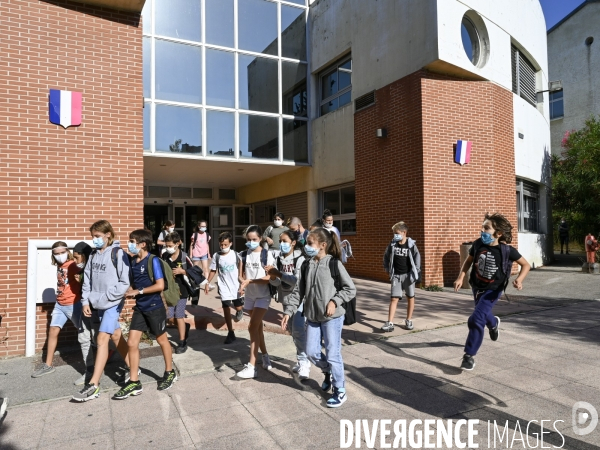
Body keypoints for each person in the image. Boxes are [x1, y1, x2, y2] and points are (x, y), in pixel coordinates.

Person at [285, 228, 356, 408]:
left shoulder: (334, 263)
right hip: (313, 316)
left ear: (322, 245)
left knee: (333, 354)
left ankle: (340, 390)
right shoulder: (307, 264)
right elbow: (298, 291)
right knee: (311, 352)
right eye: (306, 243)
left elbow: (350, 289)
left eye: (310, 244)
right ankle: (327, 372)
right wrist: (289, 311)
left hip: (332, 317)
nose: (306, 247)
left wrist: (334, 301)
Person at [453, 213, 531, 371]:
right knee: (482, 314)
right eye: (482, 227)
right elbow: (468, 261)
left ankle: (469, 356)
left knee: (476, 319)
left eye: (486, 228)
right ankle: (493, 323)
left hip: (493, 290)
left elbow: (526, 265)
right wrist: (460, 277)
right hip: (477, 286)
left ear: (498, 233)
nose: (483, 231)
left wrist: (520, 280)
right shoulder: (477, 244)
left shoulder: (507, 250)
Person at [113, 229, 177, 400]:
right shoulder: (133, 261)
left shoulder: (153, 260)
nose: (130, 244)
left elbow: (160, 285)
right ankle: (134, 381)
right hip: (140, 309)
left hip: (155, 307)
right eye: (130, 241)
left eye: (133, 241)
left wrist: (138, 291)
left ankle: (169, 372)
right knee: (132, 342)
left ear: (142, 244)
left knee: (162, 340)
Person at [73, 220, 130, 402]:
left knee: (101, 338)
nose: (94, 240)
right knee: (115, 335)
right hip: (96, 303)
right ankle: (132, 367)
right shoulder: (94, 255)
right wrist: (86, 301)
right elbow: (87, 279)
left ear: (108, 234)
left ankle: (94, 384)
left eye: (97, 236)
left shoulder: (118, 253)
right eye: (93, 237)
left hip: (112, 303)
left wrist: (105, 298)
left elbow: (124, 282)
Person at [32, 242, 94, 384]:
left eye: (62, 252)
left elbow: (85, 279)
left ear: (68, 251)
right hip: (60, 304)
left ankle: (93, 366)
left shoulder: (73, 265)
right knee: (53, 331)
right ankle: (48, 365)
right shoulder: (60, 266)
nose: (60, 256)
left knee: (86, 335)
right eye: (57, 253)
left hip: (74, 304)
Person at [266, 231, 309, 378]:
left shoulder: (300, 259)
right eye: (280, 241)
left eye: (284, 240)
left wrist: (278, 274)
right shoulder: (278, 259)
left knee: (297, 328)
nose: (282, 243)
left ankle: (304, 361)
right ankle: (302, 357)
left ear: (293, 242)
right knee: (292, 330)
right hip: (285, 299)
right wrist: (273, 276)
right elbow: (277, 283)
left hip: (298, 299)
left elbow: (297, 281)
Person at [236, 225, 276, 378]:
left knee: (252, 327)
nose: (251, 242)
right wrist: (242, 282)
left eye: (254, 239)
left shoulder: (267, 255)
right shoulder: (244, 255)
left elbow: (269, 278)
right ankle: (265, 356)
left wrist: (250, 281)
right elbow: (241, 275)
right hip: (250, 296)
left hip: (263, 296)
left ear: (260, 239)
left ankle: (252, 366)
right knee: (257, 328)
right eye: (249, 239)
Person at [204, 232, 244, 344]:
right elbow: (213, 270)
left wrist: (243, 283)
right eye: (221, 245)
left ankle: (239, 310)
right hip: (224, 286)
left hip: (236, 286)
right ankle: (231, 332)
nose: (223, 247)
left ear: (230, 243)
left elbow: (241, 272)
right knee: (226, 307)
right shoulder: (217, 256)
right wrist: (207, 282)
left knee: (238, 307)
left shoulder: (236, 255)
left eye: (225, 245)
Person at [381, 222, 421, 332]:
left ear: (404, 233)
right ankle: (390, 322)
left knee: (410, 297)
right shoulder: (393, 244)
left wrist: (415, 271)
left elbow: (417, 258)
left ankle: (408, 320)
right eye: (394, 233)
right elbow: (386, 255)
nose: (395, 235)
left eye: (397, 233)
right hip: (396, 276)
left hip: (408, 275)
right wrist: (387, 268)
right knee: (394, 298)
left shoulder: (411, 245)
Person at [163, 232, 191, 354]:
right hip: (169, 291)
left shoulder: (184, 257)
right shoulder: (164, 256)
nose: (168, 248)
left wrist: (183, 271)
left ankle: (182, 341)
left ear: (178, 244)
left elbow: (194, 272)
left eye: (170, 245)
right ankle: (185, 327)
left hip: (182, 291)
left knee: (179, 315)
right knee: (169, 316)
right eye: (166, 245)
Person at [190, 220, 213, 289]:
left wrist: (208, 254)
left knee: (206, 269)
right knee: (195, 270)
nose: (204, 227)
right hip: (196, 254)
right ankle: (196, 283)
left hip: (204, 254)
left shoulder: (207, 235)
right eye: (202, 226)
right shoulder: (195, 235)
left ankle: (208, 283)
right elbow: (191, 245)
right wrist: (191, 255)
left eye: (205, 226)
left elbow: (207, 244)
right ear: (199, 226)